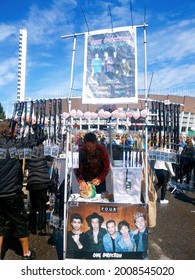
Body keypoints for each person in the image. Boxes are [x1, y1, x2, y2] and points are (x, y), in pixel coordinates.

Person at [0, 119, 35, 260]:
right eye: (16, 129)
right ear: (10, 130)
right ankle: (26, 253)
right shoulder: (15, 147)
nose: (17, 131)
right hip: (12, 194)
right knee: (20, 222)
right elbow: (36, 138)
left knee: (0, 224)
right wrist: (32, 124)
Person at [26, 126, 53, 235]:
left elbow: (27, 163)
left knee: (32, 205)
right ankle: (41, 228)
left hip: (32, 180)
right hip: (43, 180)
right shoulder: (45, 149)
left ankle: (32, 226)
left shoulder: (28, 150)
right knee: (42, 205)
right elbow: (50, 162)